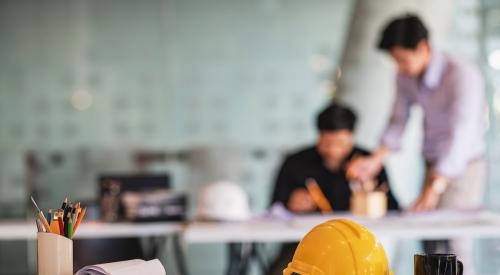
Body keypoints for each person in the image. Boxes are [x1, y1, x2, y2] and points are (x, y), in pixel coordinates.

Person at [347, 14, 486, 274]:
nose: (399, 67)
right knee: (430, 240)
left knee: (455, 245)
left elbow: (461, 137)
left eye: (402, 59)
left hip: (464, 168)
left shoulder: (462, 75)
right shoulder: (406, 76)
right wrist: (375, 159)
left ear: (423, 47)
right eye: (395, 61)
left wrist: (435, 185)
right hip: (432, 163)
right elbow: (398, 120)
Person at [268, 103, 399, 275]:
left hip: (359, 248)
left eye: (340, 143)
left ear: (352, 136)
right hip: (305, 245)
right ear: (318, 136)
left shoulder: (369, 164)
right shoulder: (295, 162)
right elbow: (274, 205)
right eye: (327, 142)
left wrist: (371, 195)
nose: (333, 150)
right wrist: (289, 202)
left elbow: (395, 209)